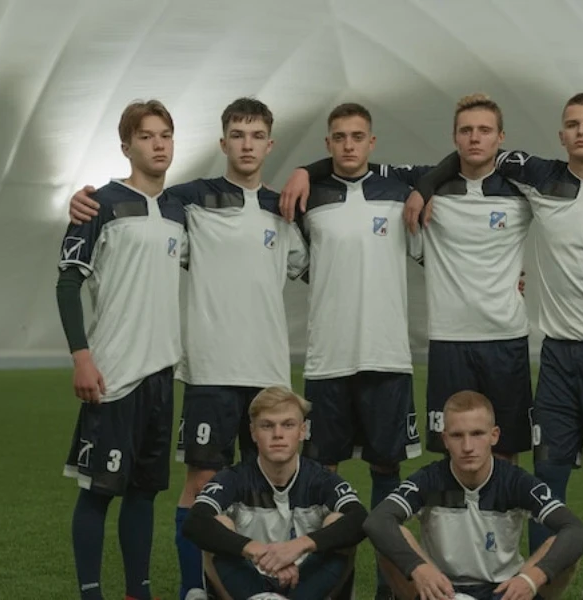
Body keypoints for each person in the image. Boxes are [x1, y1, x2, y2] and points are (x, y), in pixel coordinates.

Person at [279, 94, 583, 466]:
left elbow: (581, 173)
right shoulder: (416, 181)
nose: (475, 138)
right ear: (454, 138)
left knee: (504, 451)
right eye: (466, 131)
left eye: (484, 131)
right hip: (448, 341)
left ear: (501, 139)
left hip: (506, 339)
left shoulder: (521, 187)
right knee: (452, 451)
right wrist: (305, 171)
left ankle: (502, 523)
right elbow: (352, 164)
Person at [414, 93, 583, 600]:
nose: (581, 132)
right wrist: (423, 187)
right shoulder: (535, 174)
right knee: (544, 480)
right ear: (560, 134)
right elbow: (465, 156)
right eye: (572, 124)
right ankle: (531, 584)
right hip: (557, 354)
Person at [65, 97, 309, 600]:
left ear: (270, 143)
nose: (247, 144)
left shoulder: (281, 209)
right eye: (237, 135)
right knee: (200, 485)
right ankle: (191, 588)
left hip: (266, 375)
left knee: (264, 487)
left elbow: (319, 267)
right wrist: (82, 199)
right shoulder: (187, 201)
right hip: (204, 370)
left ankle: (252, 586)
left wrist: (308, 172)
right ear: (222, 143)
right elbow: (125, 202)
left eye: (256, 135)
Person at [280, 102, 423, 599]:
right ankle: (330, 587)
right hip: (328, 360)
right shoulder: (308, 199)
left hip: (387, 357)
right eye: (338, 137)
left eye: (357, 136)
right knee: (322, 479)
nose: (347, 145)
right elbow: (294, 263)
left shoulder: (401, 191)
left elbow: (451, 173)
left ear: (372, 142)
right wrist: (303, 173)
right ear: (327, 144)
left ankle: (389, 587)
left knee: (388, 473)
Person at [56, 100, 187, 600]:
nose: (159, 144)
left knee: (144, 493)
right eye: (148, 136)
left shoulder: (178, 210)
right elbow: (67, 285)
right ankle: (91, 593)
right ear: (126, 145)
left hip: (161, 373)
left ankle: (140, 592)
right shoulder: (100, 205)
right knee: (97, 492)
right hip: (113, 375)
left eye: (166, 135)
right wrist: (82, 356)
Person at [364, 391, 583, 600]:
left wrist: (529, 579)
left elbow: (577, 531)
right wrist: (418, 568)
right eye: (457, 435)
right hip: (441, 588)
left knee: (563, 548)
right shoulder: (428, 480)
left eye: (477, 434)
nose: (467, 446)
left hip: (504, 590)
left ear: (494, 435)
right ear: (445, 440)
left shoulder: (516, 482)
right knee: (392, 538)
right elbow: (377, 521)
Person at [182, 386, 366, 599]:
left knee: (338, 521)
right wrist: (258, 550)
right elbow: (195, 522)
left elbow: (359, 519)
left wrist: (297, 547)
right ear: (253, 432)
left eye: (288, 425)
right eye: (267, 425)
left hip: (306, 585)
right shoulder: (233, 479)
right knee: (218, 525)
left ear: (302, 430)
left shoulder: (321, 480)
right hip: (249, 583)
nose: (278, 434)